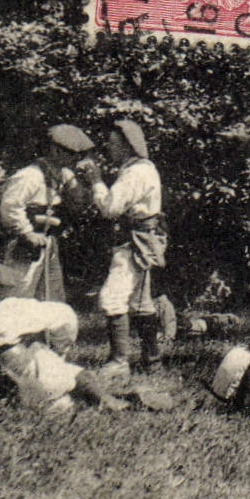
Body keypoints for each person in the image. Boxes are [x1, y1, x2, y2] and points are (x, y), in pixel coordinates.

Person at [0, 262, 121, 412]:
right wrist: (60, 349)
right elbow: (66, 316)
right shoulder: (9, 308)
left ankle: (65, 403)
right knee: (55, 361)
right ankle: (106, 401)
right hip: (38, 384)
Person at [80, 119, 168, 380]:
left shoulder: (135, 173)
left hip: (134, 243)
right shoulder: (141, 169)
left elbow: (110, 208)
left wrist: (95, 181)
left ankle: (119, 362)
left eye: (113, 144)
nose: (108, 148)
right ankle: (153, 362)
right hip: (143, 239)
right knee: (141, 302)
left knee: (112, 297)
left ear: (128, 146)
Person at [0, 124, 95, 302]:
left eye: (79, 155)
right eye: (72, 154)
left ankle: (42, 330)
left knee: (50, 294)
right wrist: (26, 232)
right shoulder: (30, 176)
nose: (76, 159)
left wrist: (84, 181)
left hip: (49, 242)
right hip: (26, 245)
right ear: (55, 150)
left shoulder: (63, 174)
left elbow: (79, 203)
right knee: (19, 292)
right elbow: (10, 206)